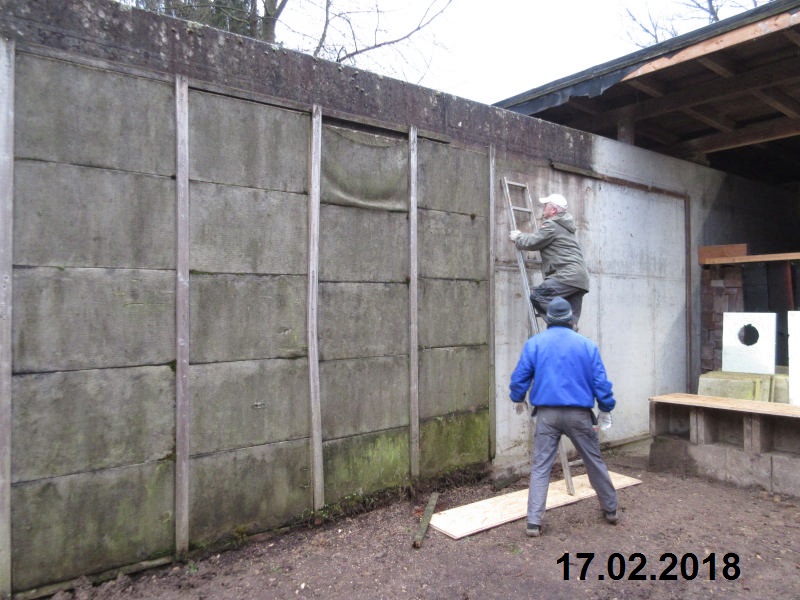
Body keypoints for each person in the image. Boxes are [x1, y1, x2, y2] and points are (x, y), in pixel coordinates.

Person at [509, 296, 618, 537]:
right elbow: (600, 382)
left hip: (547, 415)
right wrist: (606, 407)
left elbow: (520, 377)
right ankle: (610, 510)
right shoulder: (587, 345)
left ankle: (533, 522)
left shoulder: (535, 344)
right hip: (580, 415)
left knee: (541, 466)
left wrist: (518, 398)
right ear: (571, 319)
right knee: (593, 461)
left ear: (548, 319)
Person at [509, 193, 589, 325]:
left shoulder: (552, 225)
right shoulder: (565, 226)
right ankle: (568, 329)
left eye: (545, 206)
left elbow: (534, 242)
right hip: (580, 279)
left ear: (554, 210)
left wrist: (518, 237)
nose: (543, 208)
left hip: (566, 276)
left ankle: (563, 325)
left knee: (539, 296)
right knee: (571, 321)